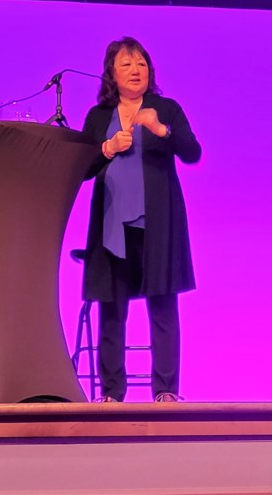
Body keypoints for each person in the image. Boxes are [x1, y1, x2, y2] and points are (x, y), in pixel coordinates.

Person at [81, 36, 201, 403]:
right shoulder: (98, 116)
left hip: (158, 223)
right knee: (111, 309)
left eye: (142, 64)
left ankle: (165, 391)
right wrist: (106, 149)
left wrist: (160, 129)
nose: (136, 71)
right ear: (111, 74)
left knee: (163, 306)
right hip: (111, 224)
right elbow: (81, 169)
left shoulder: (165, 108)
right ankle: (112, 393)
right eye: (127, 65)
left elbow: (193, 152)